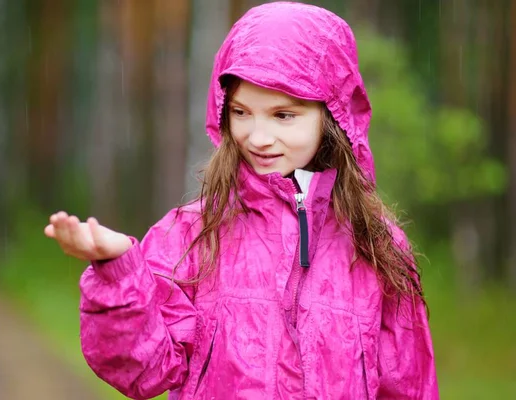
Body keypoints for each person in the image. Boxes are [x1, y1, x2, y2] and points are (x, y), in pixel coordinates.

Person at [44, 2, 438, 399]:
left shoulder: (375, 246)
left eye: (283, 115)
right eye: (241, 112)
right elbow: (143, 369)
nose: (258, 137)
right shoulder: (192, 236)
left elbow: (409, 386)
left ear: (331, 114)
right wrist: (118, 272)